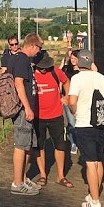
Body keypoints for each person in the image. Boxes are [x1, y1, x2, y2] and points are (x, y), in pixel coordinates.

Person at [68, 49, 104, 207]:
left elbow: (72, 100)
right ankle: (94, 192)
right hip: (101, 126)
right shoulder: (102, 78)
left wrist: (74, 111)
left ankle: (95, 201)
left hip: (84, 124)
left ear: (79, 62)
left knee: (90, 164)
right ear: (91, 63)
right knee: (98, 159)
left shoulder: (76, 79)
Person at [31, 52, 72, 188]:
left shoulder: (55, 71)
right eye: (41, 67)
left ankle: (61, 175)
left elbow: (66, 81)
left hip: (56, 115)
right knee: (39, 145)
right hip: (38, 117)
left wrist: (67, 97)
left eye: (46, 66)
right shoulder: (31, 74)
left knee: (60, 145)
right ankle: (43, 174)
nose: (44, 69)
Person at [10, 33, 44, 196]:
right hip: (24, 111)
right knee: (21, 145)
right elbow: (18, 84)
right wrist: (27, 107)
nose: (39, 52)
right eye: (39, 48)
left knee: (28, 144)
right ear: (32, 45)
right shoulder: (22, 60)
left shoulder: (24, 60)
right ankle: (17, 183)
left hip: (27, 110)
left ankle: (22, 178)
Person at [61, 49, 82, 154]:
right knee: (71, 121)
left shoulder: (83, 70)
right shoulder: (66, 69)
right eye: (72, 58)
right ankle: (73, 143)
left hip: (80, 99)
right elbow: (61, 82)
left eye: (75, 58)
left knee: (79, 122)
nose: (73, 60)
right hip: (68, 99)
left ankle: (78, 141)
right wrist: (63, 96)